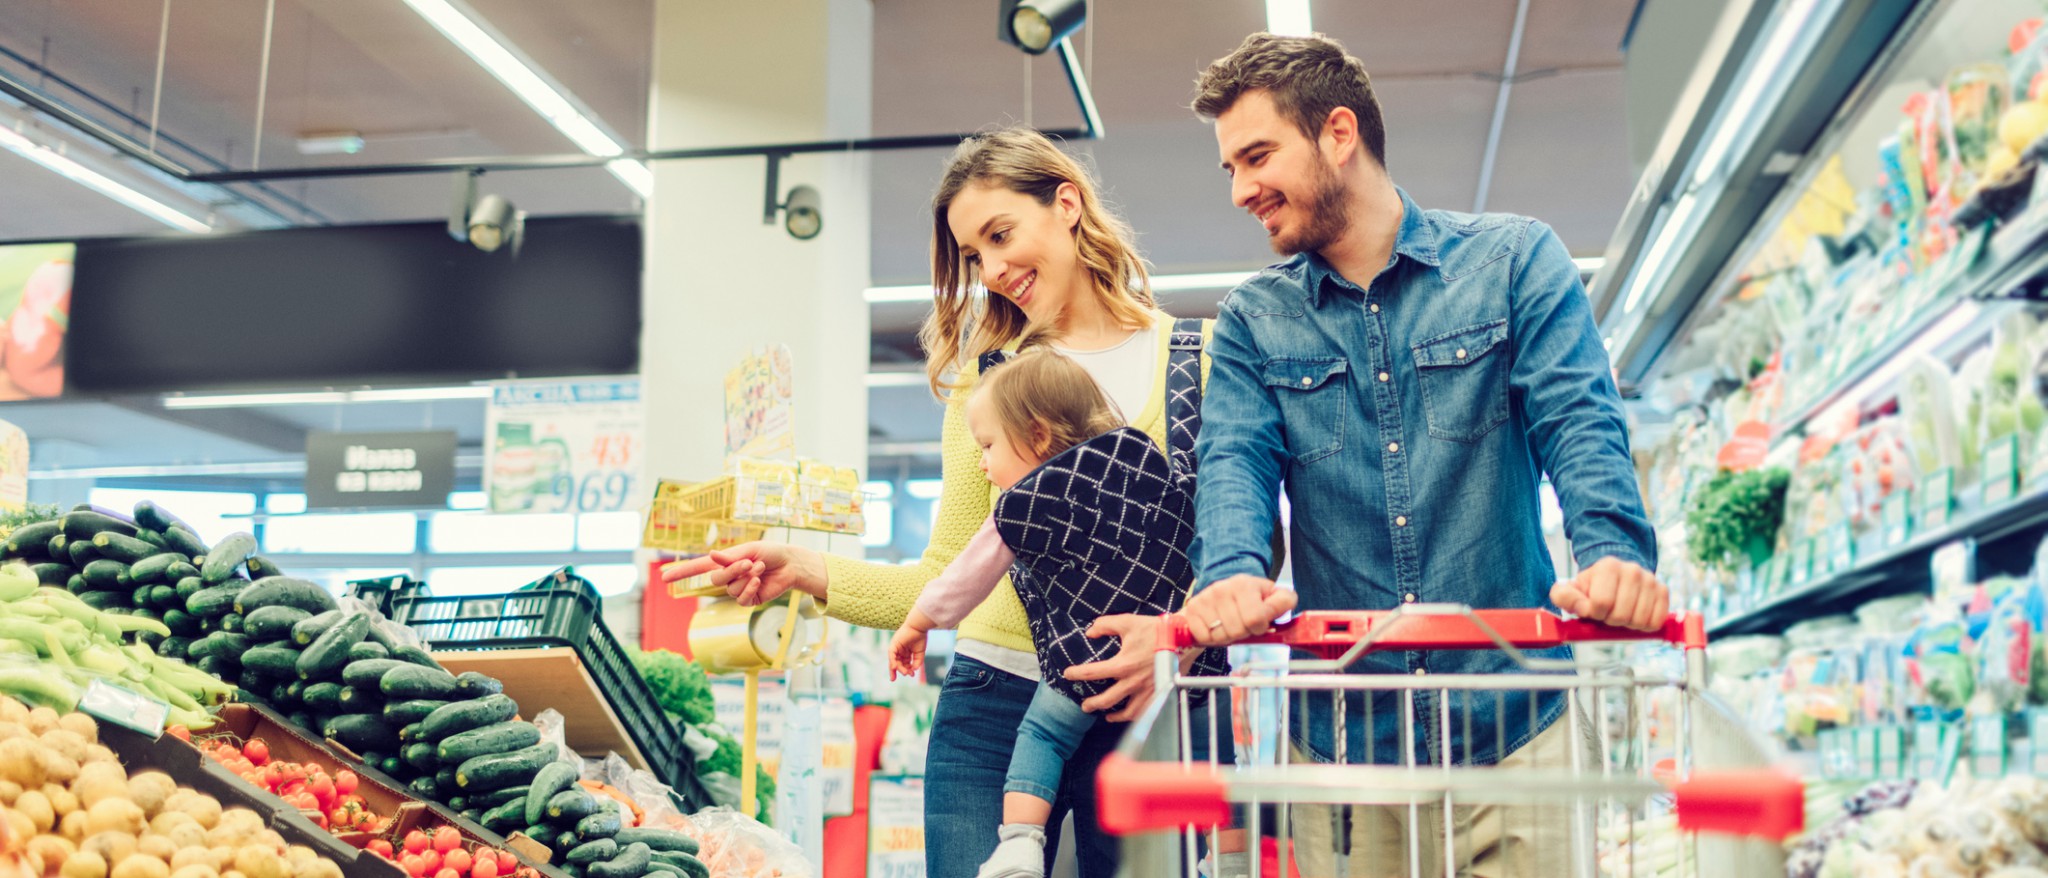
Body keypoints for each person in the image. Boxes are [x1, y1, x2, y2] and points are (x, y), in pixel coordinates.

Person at [1068, 32, 1668, 875]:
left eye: (1257, 156)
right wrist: (1229, 574)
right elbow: (1233, 464)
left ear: (1338, 134)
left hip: (1520, 732)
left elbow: (1580, 420)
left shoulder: (1513, 261)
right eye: (1230, 168)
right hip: (1346, 752)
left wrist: (1612, 556)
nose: (1241, 189)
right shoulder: (1251, 321)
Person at [661, 127, 1219, 878]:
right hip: (992, 706)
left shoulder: (1197, 359)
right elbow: (947, 572)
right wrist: (803, 568)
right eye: (972, 255)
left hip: (1144, 705)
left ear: (1068, 204)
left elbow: (1231, 553)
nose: (992, 269)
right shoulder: (984, 387)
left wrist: (1180, 635)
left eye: (1000, 234)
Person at [889, 337, 1224, 878]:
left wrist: (918, 621)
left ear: (1037, 434)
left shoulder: (1024, 504)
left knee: (1042, 735)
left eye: (989, 446)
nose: (982, 463)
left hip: (1082, 660)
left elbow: (959, 581)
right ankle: (1226, 852)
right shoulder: (1144, 462)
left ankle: (1020, 841)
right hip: (1170, 670)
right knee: (1209, 754)